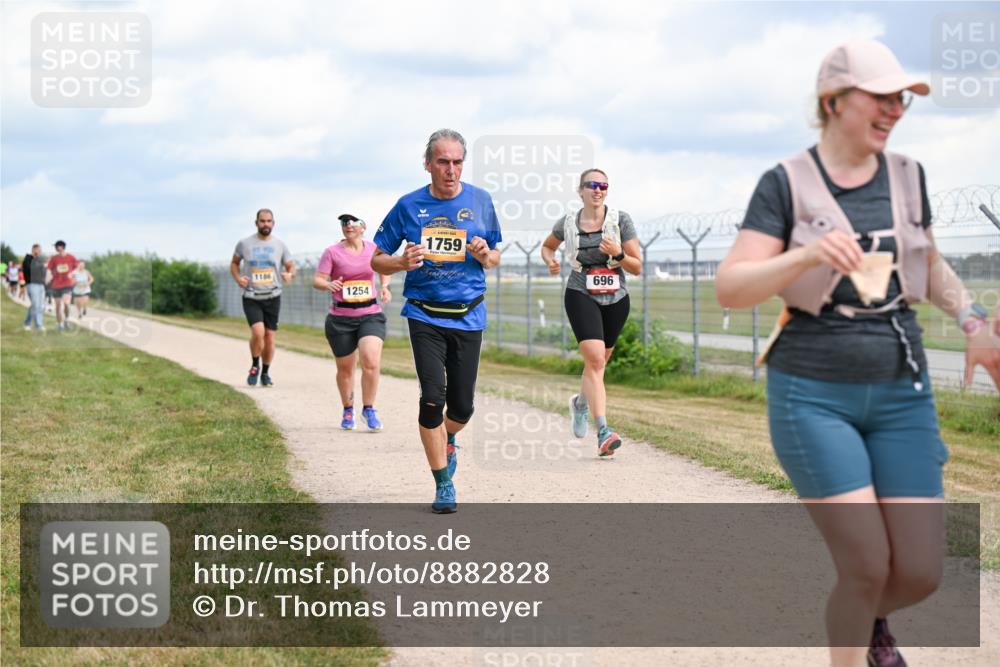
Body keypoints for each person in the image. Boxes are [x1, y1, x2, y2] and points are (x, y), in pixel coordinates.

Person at [716, 40, 1000, 667]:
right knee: (867, 564)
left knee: (922, 571)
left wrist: (974, 320)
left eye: (902, 97)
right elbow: (730, 287)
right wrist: (808, 254)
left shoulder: (907, 174)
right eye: (882, 95)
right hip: (812, 394)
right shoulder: (786, 183)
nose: (896, 107)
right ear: (834, 99)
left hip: (902, 388)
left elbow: (926, 265)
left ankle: (866, 618)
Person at [371, 128, 502, 514]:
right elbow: (377, 259)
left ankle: (447, 437)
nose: (451, 169)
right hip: (424, 313)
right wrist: (400, 262)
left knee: (462, 408)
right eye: (442, 162)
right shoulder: (408, 206)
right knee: (432, 398)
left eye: (457, 161)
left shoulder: (481, 201)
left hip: (469, 314)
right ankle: (443, 483)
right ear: (427, 164)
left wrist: (483, 254)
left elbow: (494, 256)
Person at [540, 169, 642, 456]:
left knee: (599, 363)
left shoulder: (620, 220)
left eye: (603, 186)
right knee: (595, 361)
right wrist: (551, 262)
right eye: (592, 185)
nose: (598, 190)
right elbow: (547, 247)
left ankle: (580, 404)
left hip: (616, 296)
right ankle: (604, 432)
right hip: (580, 292)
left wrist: (618, 253)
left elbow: (637, 267)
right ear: (580, 189)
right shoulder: (569, 222)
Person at [313, 213, 392, 431]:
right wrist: (327, 285)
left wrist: (385, 286)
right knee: (346, 369)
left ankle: (369, 408)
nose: (348, 225)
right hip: (341, 319)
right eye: (343, 223)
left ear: (363, 227)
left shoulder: (373, 248)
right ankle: (348, 409)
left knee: (371, 361)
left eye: (352, 222)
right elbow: (318, 280)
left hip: (370, 314)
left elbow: (384, 268)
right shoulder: (332, 252)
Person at [231, 209, 295, 387]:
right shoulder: (244, 243)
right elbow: (234, 263)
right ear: (256, 223)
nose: (265, 224)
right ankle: (254, 366)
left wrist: (290, 274)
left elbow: (291, 266)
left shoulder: (280, 245)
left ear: (273, 223)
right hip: (251, 295)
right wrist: (238, 278)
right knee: (258, 333)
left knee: (269, 337)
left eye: (269, 221)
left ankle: (265, 373)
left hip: (273, 295)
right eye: (262, 221)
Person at [45, 240, 78, 332]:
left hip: (67, 284)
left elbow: (77, 267)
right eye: (55, 246)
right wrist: (47, 279)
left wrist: (72, 274)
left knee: (66, 303)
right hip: (56, 285)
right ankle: (60, 325)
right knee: (58, 306)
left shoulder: (71, 257)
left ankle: (67, 320)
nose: (55, 248)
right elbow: (49, 270)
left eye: (56, 246)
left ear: (62, 247)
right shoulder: (54, 258)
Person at [22, 244, 46, 332]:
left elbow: (43, 272)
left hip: (41, 285)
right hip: (31, 284)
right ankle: (33, 324)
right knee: (35, 305)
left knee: (39, 306)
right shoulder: (28, 259)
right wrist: (42, 266)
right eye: (38, 250)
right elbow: (30, 269)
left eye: (41, 250)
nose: (40, 252)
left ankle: (33, 324)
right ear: (33, 250)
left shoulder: (39, 260)